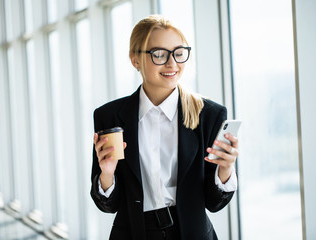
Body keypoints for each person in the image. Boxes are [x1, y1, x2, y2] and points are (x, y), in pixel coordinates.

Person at [90, 15, 239, 240]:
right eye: (159, 54)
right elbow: (108, 206)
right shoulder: (110, 116)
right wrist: (107, 175)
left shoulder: (209, 115)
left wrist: (225, 171)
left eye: (179, 53)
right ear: (135, 60)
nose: (172, 63)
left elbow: (214, 203)